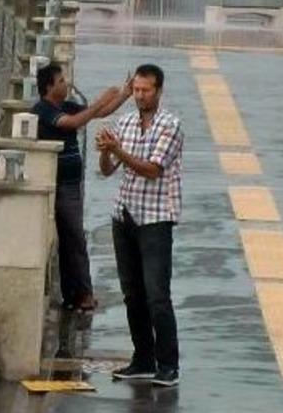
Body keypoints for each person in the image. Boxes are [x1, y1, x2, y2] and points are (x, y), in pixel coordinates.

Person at [96, 64, 184, 388]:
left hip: (156, 218)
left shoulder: (170, 126)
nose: (140, 96)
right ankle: (143, 359)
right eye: (136, 90)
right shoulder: (126, 122)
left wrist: (117, 149)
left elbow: (152, 170)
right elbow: (107, 170)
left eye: (146, 90)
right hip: (126, 215)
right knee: (132, 293)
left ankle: (168, 364)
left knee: (157, 295)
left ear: (158, 91)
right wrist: (106, 152)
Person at [33, 63, 131, 312]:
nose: (66, 84)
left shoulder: (64, 105)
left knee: (71, 239)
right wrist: (99, 101)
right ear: (49, 87)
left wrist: (124, 94)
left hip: (68, 184)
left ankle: (76, 294)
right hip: (54, 184)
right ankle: (82, 293)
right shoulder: (43, 110)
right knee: (74, 238)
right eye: (61, 81)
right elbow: (73, 123)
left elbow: (99, 113)